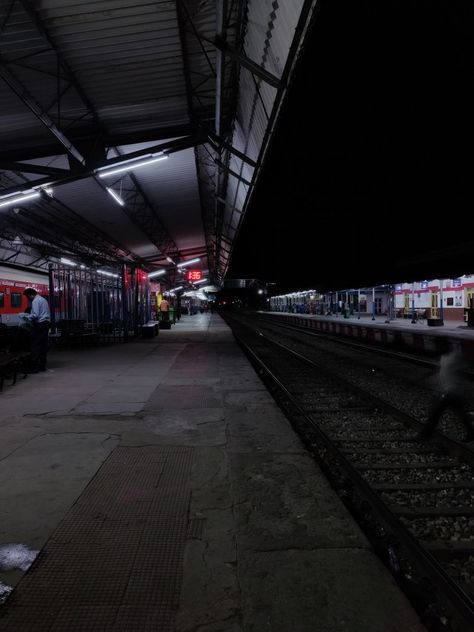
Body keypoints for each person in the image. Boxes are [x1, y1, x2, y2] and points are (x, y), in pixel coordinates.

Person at [418, 339, 474, 442]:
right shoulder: (443, 357)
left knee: (435, 412)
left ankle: (425, 435)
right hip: (452, 391)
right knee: (461, 413)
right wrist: (424, 376)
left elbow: (468, 362)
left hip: (452, 391)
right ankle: (471, 432)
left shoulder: (455, 356)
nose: (437, 348)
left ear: (445, 346)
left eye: (439, 346)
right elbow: (438, 369)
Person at [23, 288, 51, 373]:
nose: (28, 299)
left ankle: (34, 368)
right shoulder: (43, 299)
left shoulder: (35, 301)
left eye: (27, 297)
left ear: (31, 294)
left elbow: (35, 315)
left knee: (35, 345)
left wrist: (26, 317)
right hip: (46, 324)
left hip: (39, 325)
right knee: (43, 346)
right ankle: (42, 366)